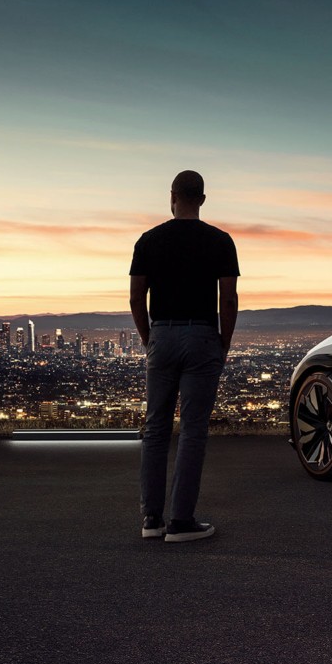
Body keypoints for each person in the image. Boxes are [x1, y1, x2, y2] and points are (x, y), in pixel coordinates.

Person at [129, 170, 239, 542]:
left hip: (162, 335)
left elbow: (135, 298)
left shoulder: (148, 241)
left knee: (155, 428)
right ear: (203, 199)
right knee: (193, 430)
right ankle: (181, 521)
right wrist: (223, 342)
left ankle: (151, 519)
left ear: (172, 196)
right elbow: (228, 298)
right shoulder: (220, 241)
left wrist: (150, 338)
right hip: (202, 336)